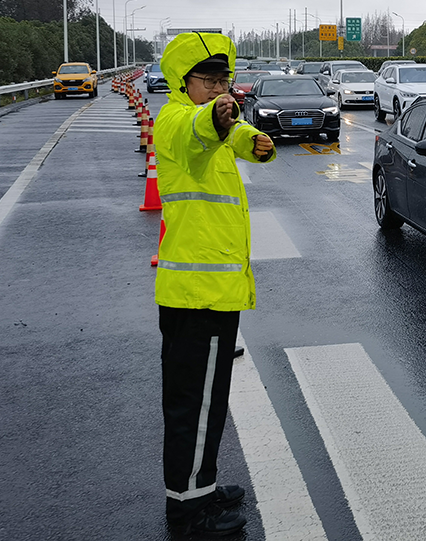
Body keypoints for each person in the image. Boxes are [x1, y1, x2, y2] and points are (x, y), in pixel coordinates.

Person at [154, 32, 275, 536]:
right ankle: (188, 511)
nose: (219, 88)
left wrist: (255, 141)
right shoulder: (174, 119)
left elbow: (228, 136)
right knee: (195, 406)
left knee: (206, 400)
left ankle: (199, 486)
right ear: (185, 82)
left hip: (211, 292)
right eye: (209, 80)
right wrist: (217, 118)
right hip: (196, 296)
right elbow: (198, 133)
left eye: (224, 79)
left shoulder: (211, 118)